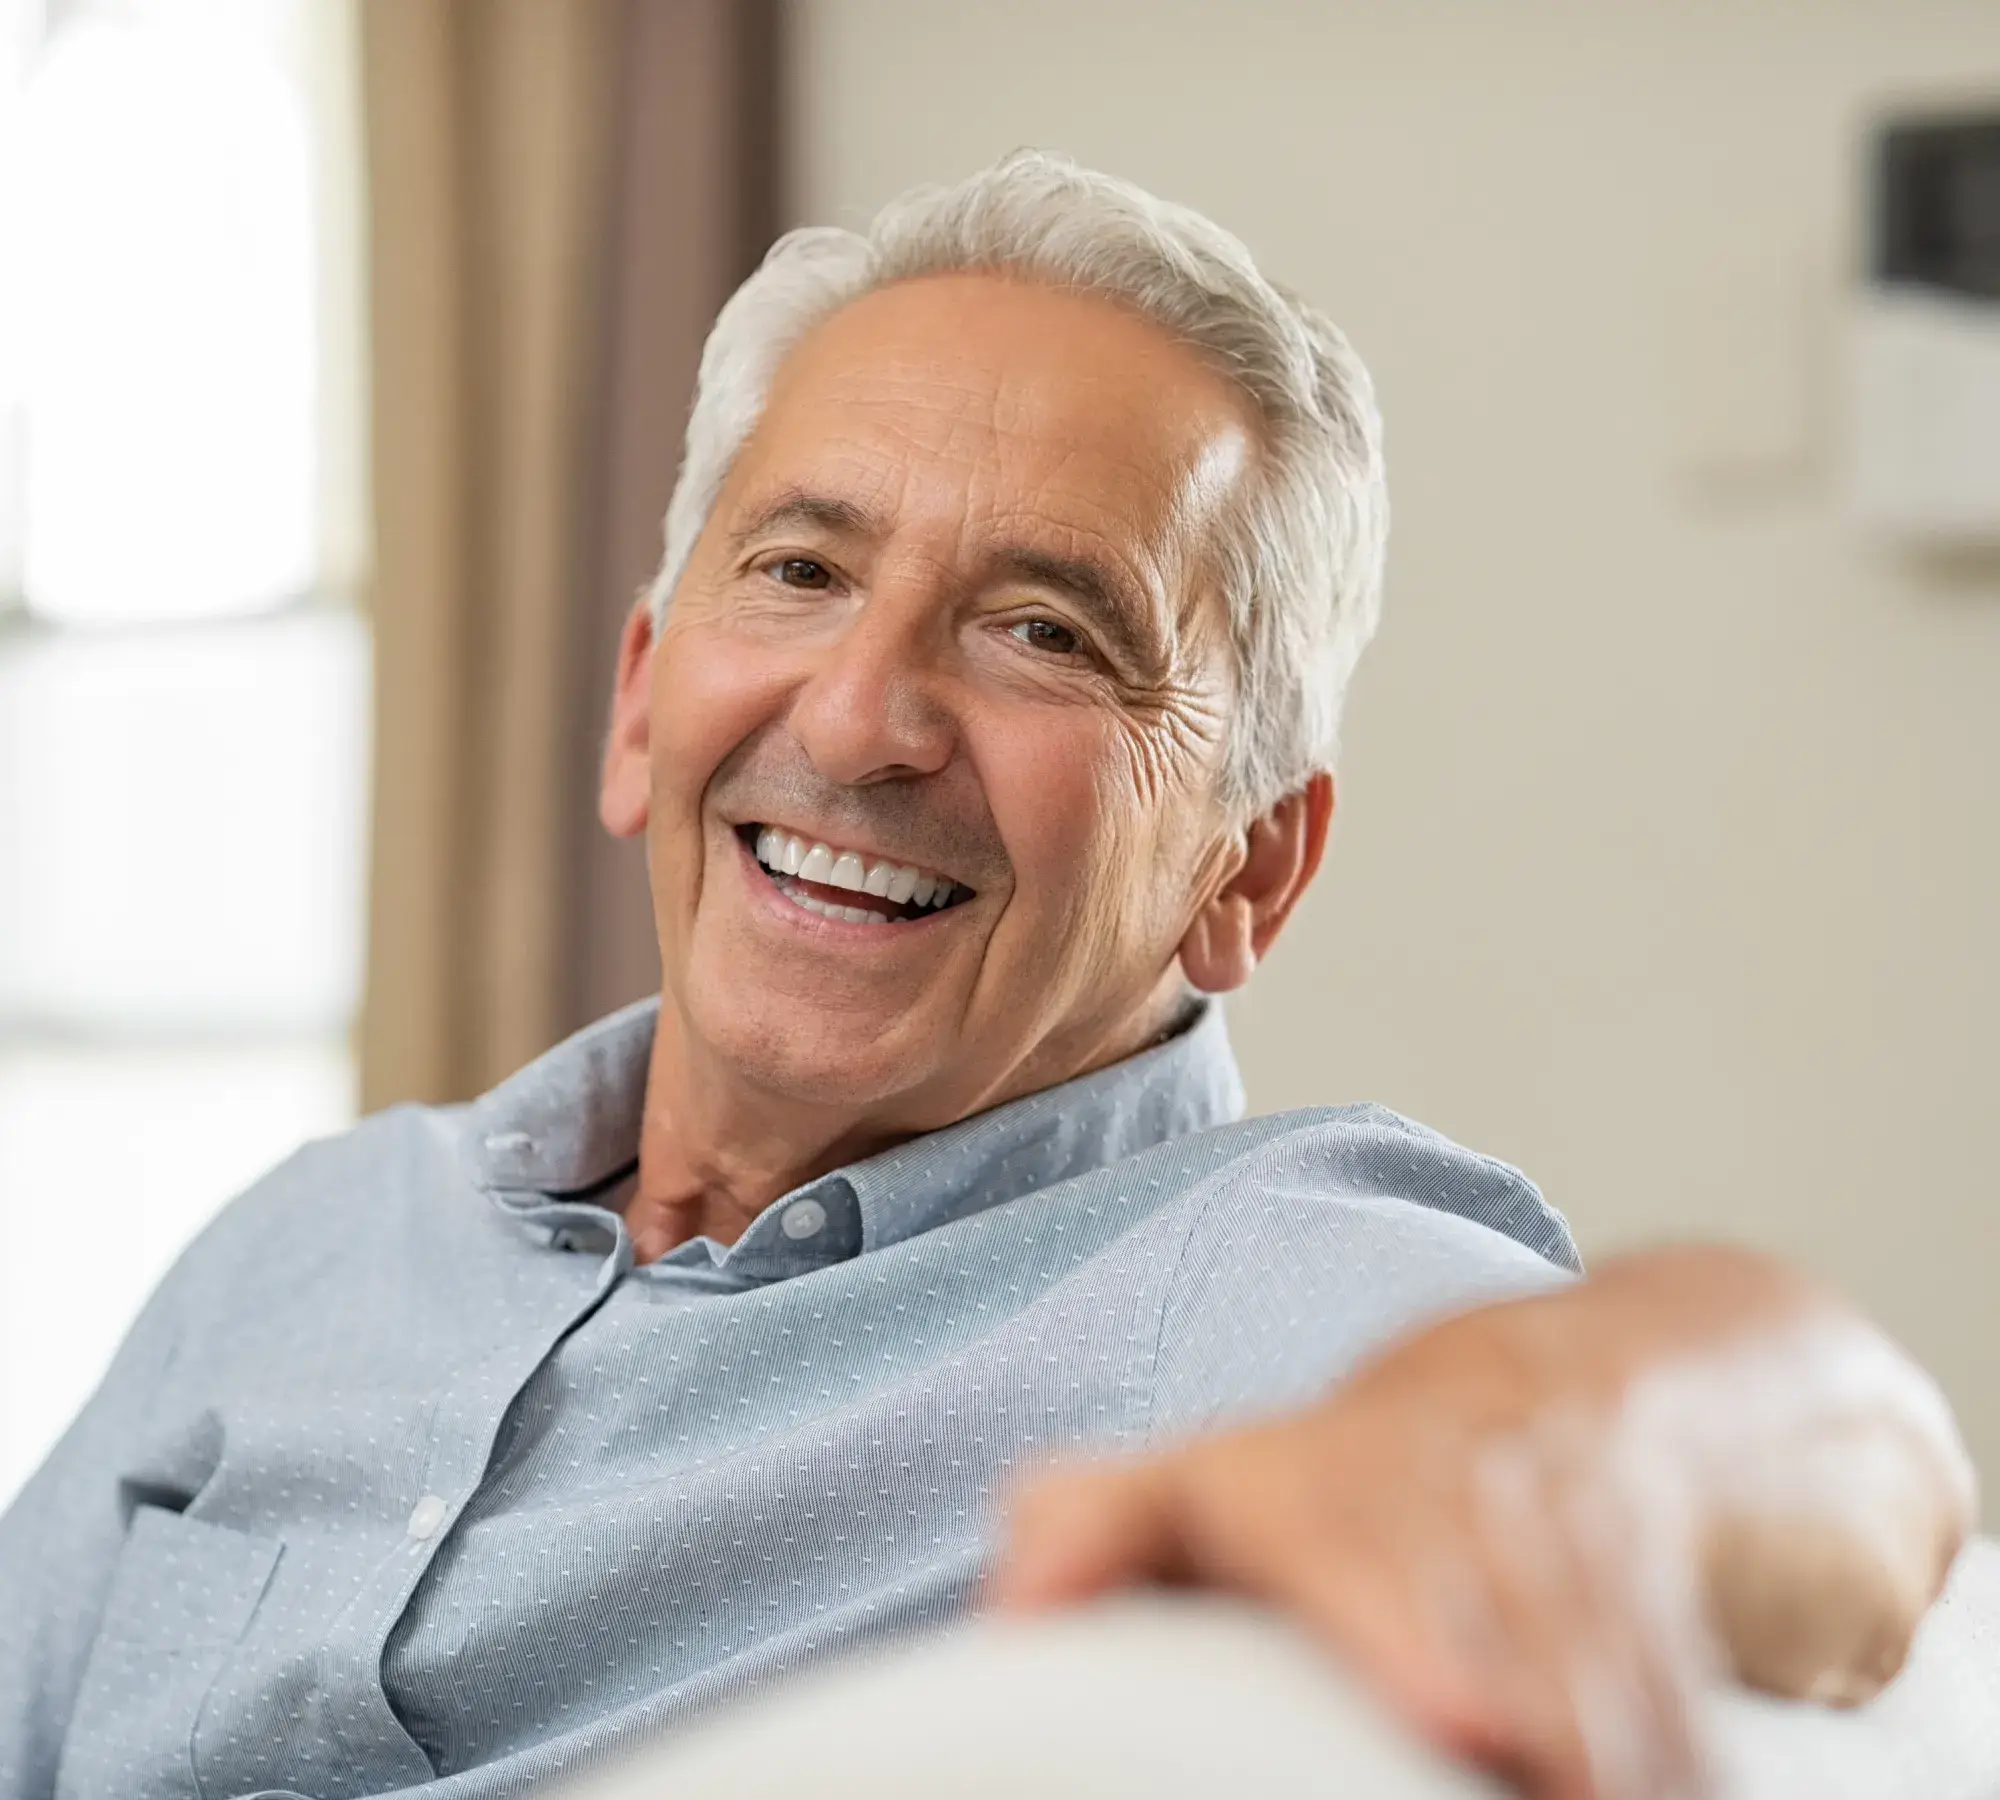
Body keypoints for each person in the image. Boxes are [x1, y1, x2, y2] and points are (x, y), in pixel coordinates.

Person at [0, 152, 1975, 1800]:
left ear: (1244, 867)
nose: (862, 720)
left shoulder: (1245, 1286)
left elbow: (1867, 1460)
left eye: (1044, 630)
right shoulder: (312, 1241)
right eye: (798, 571)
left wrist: (1559, 1441)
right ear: (636, 704)